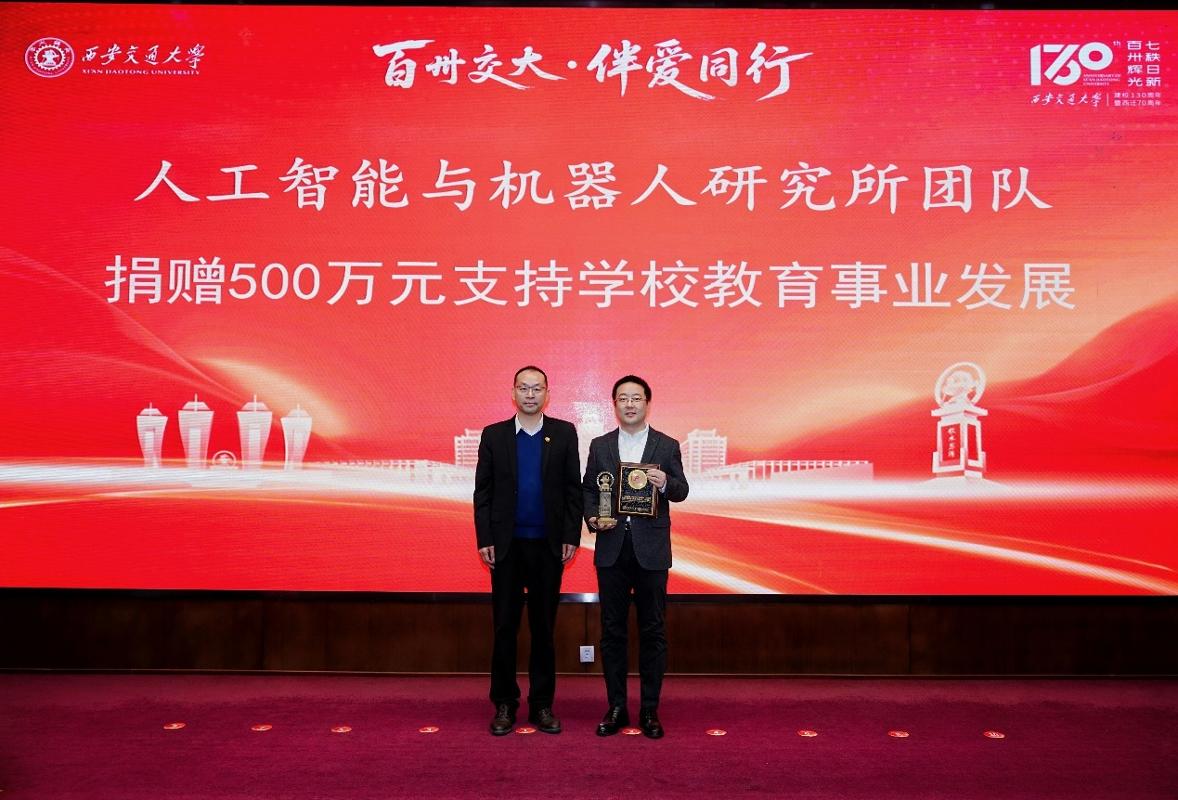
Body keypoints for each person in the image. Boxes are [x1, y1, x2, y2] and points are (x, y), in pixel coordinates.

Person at [474, 366, 582, 736]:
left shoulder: (564, 433)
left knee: (543, 628)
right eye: (524, 388)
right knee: (505, 626)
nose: (530, 395)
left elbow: (573, 490)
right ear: (513, 393)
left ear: (547, 393)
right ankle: (504, 703)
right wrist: (484, 538)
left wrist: (571, 535)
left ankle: (542, 704)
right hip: (505, 547)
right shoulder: (494, 435)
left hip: (548, 546)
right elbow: (483, 492)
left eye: (537, 389)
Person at [582, 375, 689, 739]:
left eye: (636, 398)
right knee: (612, 631)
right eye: (623, 398)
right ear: (614, 404)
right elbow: (588, 490)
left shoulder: (666, 444)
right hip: (612, 547)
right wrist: (593, 518)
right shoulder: (600, 445)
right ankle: (616, 706)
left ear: (647, 403)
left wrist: (665, 482)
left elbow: (682, 490)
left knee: (653, 630)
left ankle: (649, 709)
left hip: (652, 550)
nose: (630, 404)